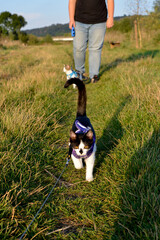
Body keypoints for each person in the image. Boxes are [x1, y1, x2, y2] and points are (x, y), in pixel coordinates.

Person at [69, 0, 114, 83]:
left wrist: (111, 17)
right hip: (79, 21)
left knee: (95, 49)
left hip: (99, 21)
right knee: (78, 48)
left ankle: (94, 75)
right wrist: (71, 18)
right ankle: (79, 73)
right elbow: (72, 1)